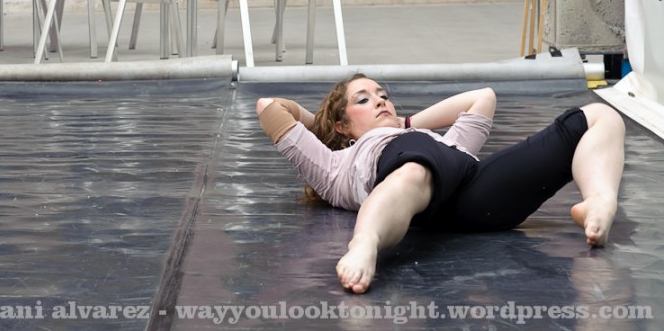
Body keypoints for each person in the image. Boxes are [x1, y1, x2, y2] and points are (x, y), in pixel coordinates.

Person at [256, 74, 625, 294]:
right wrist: (324, 126)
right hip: (411, 188)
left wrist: (405, 122)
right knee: (414, 169)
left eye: (383, 95)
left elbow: (483, 97)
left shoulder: (439, 141)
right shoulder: (333, 167)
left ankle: (599, 199)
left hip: (476, 194)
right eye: (363, 100)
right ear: (343, 125)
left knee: (598, 116)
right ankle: (365, 243)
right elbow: (269, 106)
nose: (380, 101)